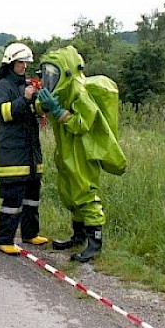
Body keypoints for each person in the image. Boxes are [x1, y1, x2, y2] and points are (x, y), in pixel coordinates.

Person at [36, 45, 127, 262]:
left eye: (53, 74)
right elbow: (41, 107)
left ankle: (94, 243)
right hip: (66, 150)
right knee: (69, 193)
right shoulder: (63, 89)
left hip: (83, 151)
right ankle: (78, 236)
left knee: (85, 193)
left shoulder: (80, 92)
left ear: (66, 72)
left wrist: (58, 112)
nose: (50, 79)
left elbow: (82, 124)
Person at [0, 42, 49, 255]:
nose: (25, 66)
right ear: (11, 63)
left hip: (31, 152)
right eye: (21, 62)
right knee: (12, 200)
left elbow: (34, 111)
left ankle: (30, 234)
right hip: (13, 154)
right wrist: (24, 98)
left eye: (26, 63)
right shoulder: (2, 87)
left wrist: (43, 103)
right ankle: (4, 239)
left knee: (32, 196)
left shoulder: (27, 85)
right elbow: (5, 114)